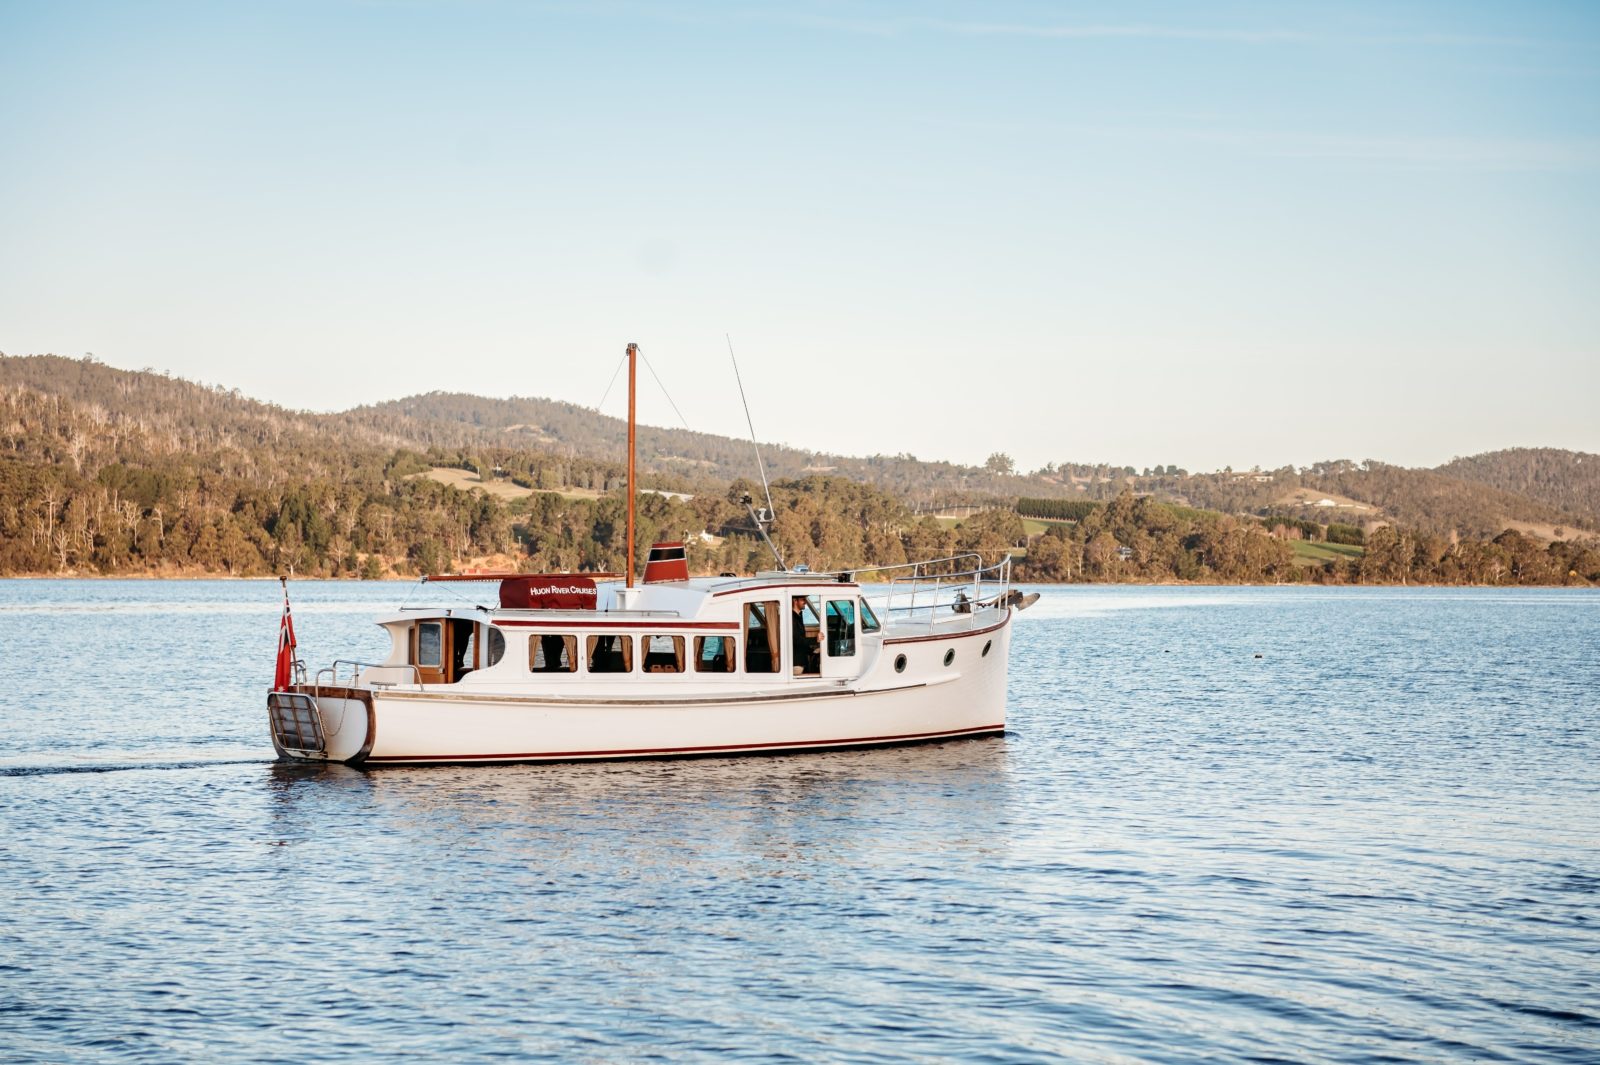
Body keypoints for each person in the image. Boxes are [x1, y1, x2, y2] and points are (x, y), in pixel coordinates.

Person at [792, 596, 820, 676]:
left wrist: (812, 651)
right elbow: (796, 640)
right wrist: (815, 639)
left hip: (801, 659)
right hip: (797, 661)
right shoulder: (792, 618)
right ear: (795, 601)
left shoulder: (798, 616)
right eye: (802, 600)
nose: (805, 602)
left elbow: (801, 639)